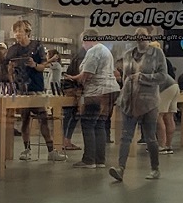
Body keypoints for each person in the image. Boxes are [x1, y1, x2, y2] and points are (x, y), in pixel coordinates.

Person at [2, 20, 66, 163]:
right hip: (21, 89)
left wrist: (34, 64)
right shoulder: (13, 49)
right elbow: (7, 67)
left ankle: (51, 151)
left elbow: (43, 66)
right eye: (15, 31)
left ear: (27, 32)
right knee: (25, 118)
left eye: (20, 31)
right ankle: (27, 149)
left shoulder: (37, 46)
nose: (17, 34)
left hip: (35, 88)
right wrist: (11, 75)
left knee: (43, 117)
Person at [109, 27, 166, 182]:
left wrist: (143, 77)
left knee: (150, 137)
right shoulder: (128, 54)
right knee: (125, 136)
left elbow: (162, 76)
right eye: (136, 35)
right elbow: (126, 77)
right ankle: (120, 168)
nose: (139, 38)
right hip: (129, 100)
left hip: (149, 101)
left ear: (149, 37)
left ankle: (155, 168)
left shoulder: (157, 54)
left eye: (143, 35)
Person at [66, 30, 118, 169]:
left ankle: (89, 160)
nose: (82, 45)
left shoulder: (93, 51)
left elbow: (87, 74)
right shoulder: (105, 50)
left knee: (88, 124)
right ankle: (100, 160)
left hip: (97, 92)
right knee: (99, 124)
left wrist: (72, 78)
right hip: (110, 90)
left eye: (83, 41)